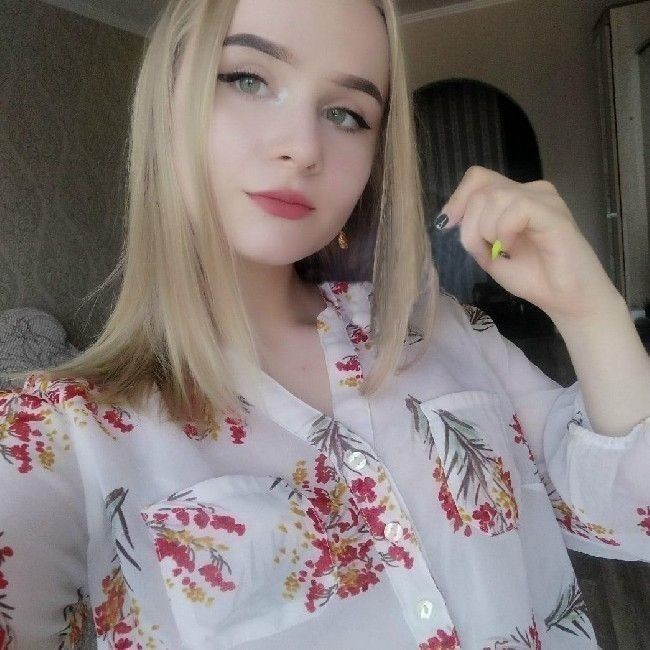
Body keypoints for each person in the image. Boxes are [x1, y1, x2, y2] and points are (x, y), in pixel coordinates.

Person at [1, 0, 649, 648]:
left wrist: (588, 309)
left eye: (347, 114)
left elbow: (629, 511)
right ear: (168, 103)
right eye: (248, 79)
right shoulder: (56, 441)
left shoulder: (445, 329)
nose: (305, 147)